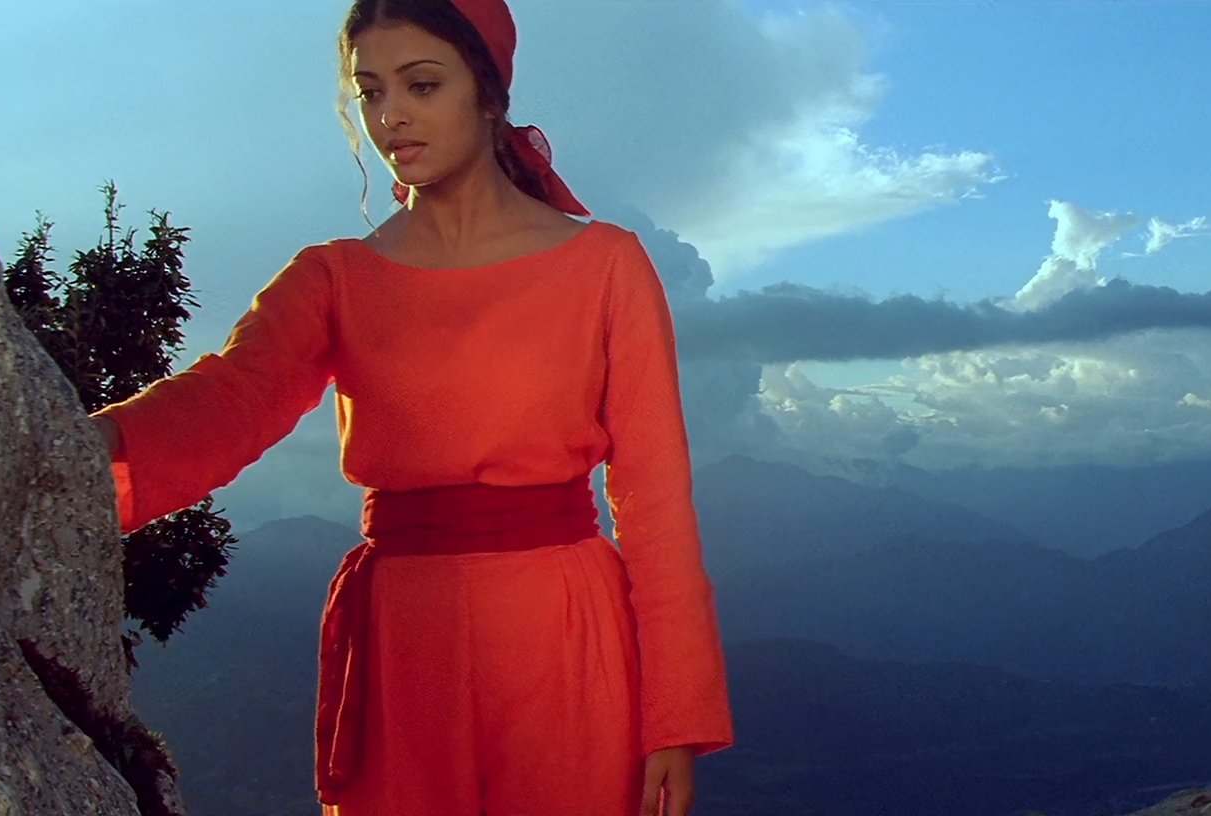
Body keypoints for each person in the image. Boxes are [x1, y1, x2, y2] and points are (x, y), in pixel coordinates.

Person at [89, 1, 733, 813]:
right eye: (371, 91)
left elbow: (654, 501)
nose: (390, 115)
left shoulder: (606, 265)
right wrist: (73, 452)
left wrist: (674, 717)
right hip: (402, 645)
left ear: (489, 95)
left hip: (567, 641)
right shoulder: (334, 277)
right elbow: (230, 399)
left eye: (421, 85)